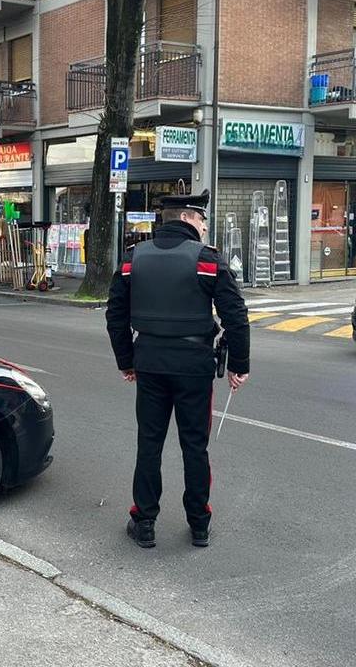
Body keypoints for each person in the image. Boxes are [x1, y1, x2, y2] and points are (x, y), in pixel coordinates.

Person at [105, 191, 250, 550]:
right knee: (195, 447)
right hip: (194, 368)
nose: (204, 227)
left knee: (149, 445)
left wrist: (126, 360)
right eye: (202, 220)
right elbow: (236, 316)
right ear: (187, 218)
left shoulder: (133, 259)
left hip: (150, 364)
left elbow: (115, 316)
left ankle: (144, 522)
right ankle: (199, 524)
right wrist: (239, 365)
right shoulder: (207, 260)